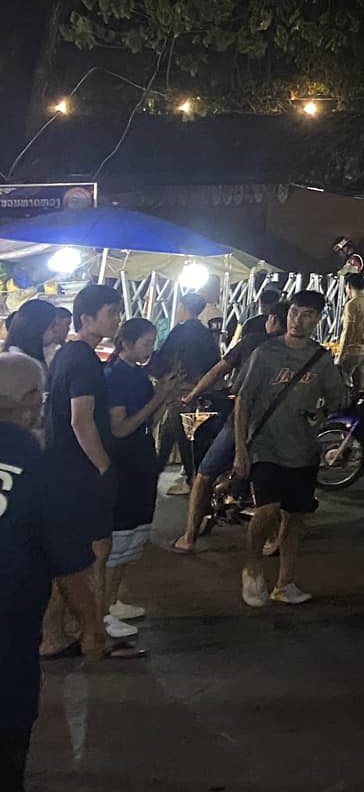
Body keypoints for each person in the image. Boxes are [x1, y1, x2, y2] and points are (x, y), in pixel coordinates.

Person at [3, 353, 112, 790]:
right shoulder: (43, 470)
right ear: (32, 402)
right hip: (6, 643)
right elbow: (70, 567)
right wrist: (90, 627)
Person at [235, 289, 348, 609]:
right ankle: (253, 566)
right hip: (265, 446)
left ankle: (285, 581)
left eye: (307, 315)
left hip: (303, 449)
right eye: (295, 312)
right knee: (267, 510)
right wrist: (241, 449)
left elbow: (337, 398)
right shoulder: (265, 353)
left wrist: (321, 413)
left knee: (295, 517)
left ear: (318, 320)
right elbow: (243, 400)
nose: (299, 320)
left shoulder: (322, 358)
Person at [39, 284, 125, 661]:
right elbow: (81, 420)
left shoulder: (67, 355)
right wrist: (104, 465)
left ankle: (58, 633)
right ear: (86, 318)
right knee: (86, 555)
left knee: (69, 556)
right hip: (79, 473)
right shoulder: (84, 359)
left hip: (62, 470)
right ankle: (75, 633)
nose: (117, 319)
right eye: (111, 312)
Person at [171, 299, 284, 555]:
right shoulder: (299, 351)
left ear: (273, 320)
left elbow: (217, 372)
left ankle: (189, 536)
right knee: (273, 482)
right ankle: (275, 537)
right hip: (280, 426)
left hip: (241, 422)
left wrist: (191, 395)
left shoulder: (253, 342)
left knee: (204, 473)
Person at [102, 319, 184, 641]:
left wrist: (165, 395)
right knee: (118, 537)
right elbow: (120, 427)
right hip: (124, 464)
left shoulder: (137, 374)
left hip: (140, 462)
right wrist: (158, 396)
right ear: (126, 343)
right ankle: (103, 610)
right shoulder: (116, 377)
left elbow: (147, 419)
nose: (150, 348)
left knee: (133, 535)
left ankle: (113, 600)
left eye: (152, 342)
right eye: (146, 342)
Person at [152, 291, 218, 493]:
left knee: (181, 435)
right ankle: (155, 473)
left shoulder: (179, 333)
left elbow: (163, 360)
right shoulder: (206, 334)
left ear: (183, 307)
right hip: (200, 391)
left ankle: (192, 479)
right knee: (172, 433)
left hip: (180, 390)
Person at [337, 270, 364, 394]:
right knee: (361, 389)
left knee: (341, 384)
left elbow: (348, 331)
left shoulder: (352, 304)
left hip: (351, 350)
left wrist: (340, 355)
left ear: (348, 286)